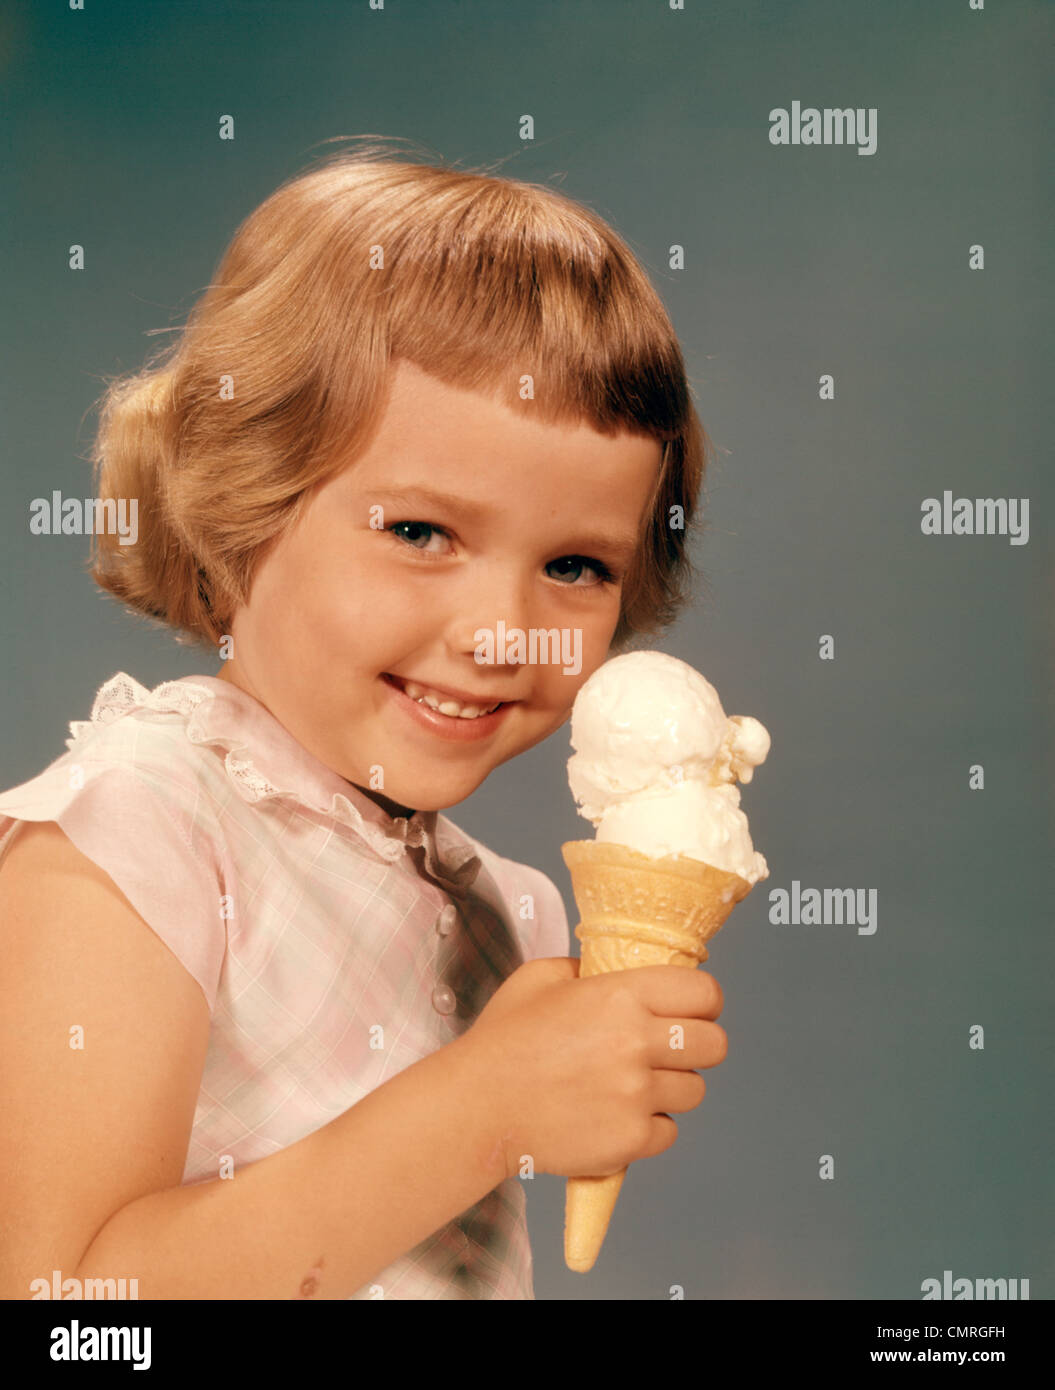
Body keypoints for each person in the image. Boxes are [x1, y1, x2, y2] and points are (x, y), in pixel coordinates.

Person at [0, 139, 729, 1300]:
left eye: (577, 564)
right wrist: (485, 1110)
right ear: (245, 498)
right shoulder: (137, 831)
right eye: (419, 532)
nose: (501, 629)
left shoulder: (512, 915)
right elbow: (63, 1310)